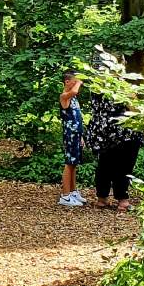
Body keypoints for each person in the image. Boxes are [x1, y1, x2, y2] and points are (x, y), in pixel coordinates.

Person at [87, 93, 143, 212]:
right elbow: (134, 108)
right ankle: (123, 201)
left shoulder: (96, 86)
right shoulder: (121, 87)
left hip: (102, 130)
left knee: (104, 164)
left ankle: (102, 198)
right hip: (124, 130)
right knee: (125, 165)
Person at [58, 70, 85, 207]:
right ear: (67, 82)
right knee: (69, 163)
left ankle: (73, 191)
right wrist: (79, 82)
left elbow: (78, 118)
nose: (77, 85)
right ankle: (65, 195)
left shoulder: (73, 98)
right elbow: (74, 91)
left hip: (76, 135)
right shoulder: (65, 96)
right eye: (74, 82)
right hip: (69, 135)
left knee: (74, 164)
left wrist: (81, 136)